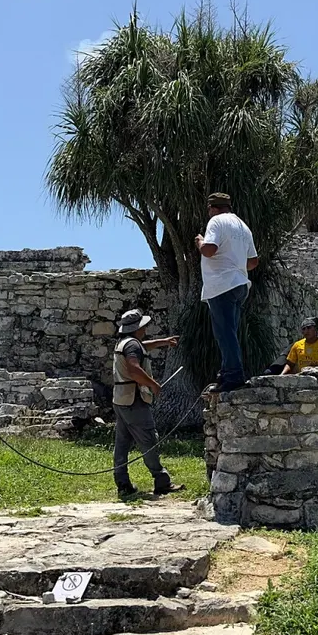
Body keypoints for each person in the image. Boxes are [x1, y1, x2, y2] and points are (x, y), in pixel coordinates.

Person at [110, 308, 185, 499]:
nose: (145, 329)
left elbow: (143, 347)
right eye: (143, 326)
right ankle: (161, 480)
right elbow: (134, 370)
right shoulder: (132, 345)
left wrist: (163, 342)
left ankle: (123, 483)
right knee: (148, 439)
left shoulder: (125, 342)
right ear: (137, 328)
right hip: (134, 400)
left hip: (121, 399)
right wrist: (153, 384)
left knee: (122, 443)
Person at [195, 191, 258, 393]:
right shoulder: (243, 226)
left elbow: (209, 250)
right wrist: (235, 264)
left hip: (222, 285)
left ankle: (233, 376)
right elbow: (253, 262)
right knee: (229, 332)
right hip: (240, 284)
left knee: (224, 334)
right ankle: (225, 374)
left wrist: (200, 242)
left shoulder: (216, 222)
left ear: (212, 208)